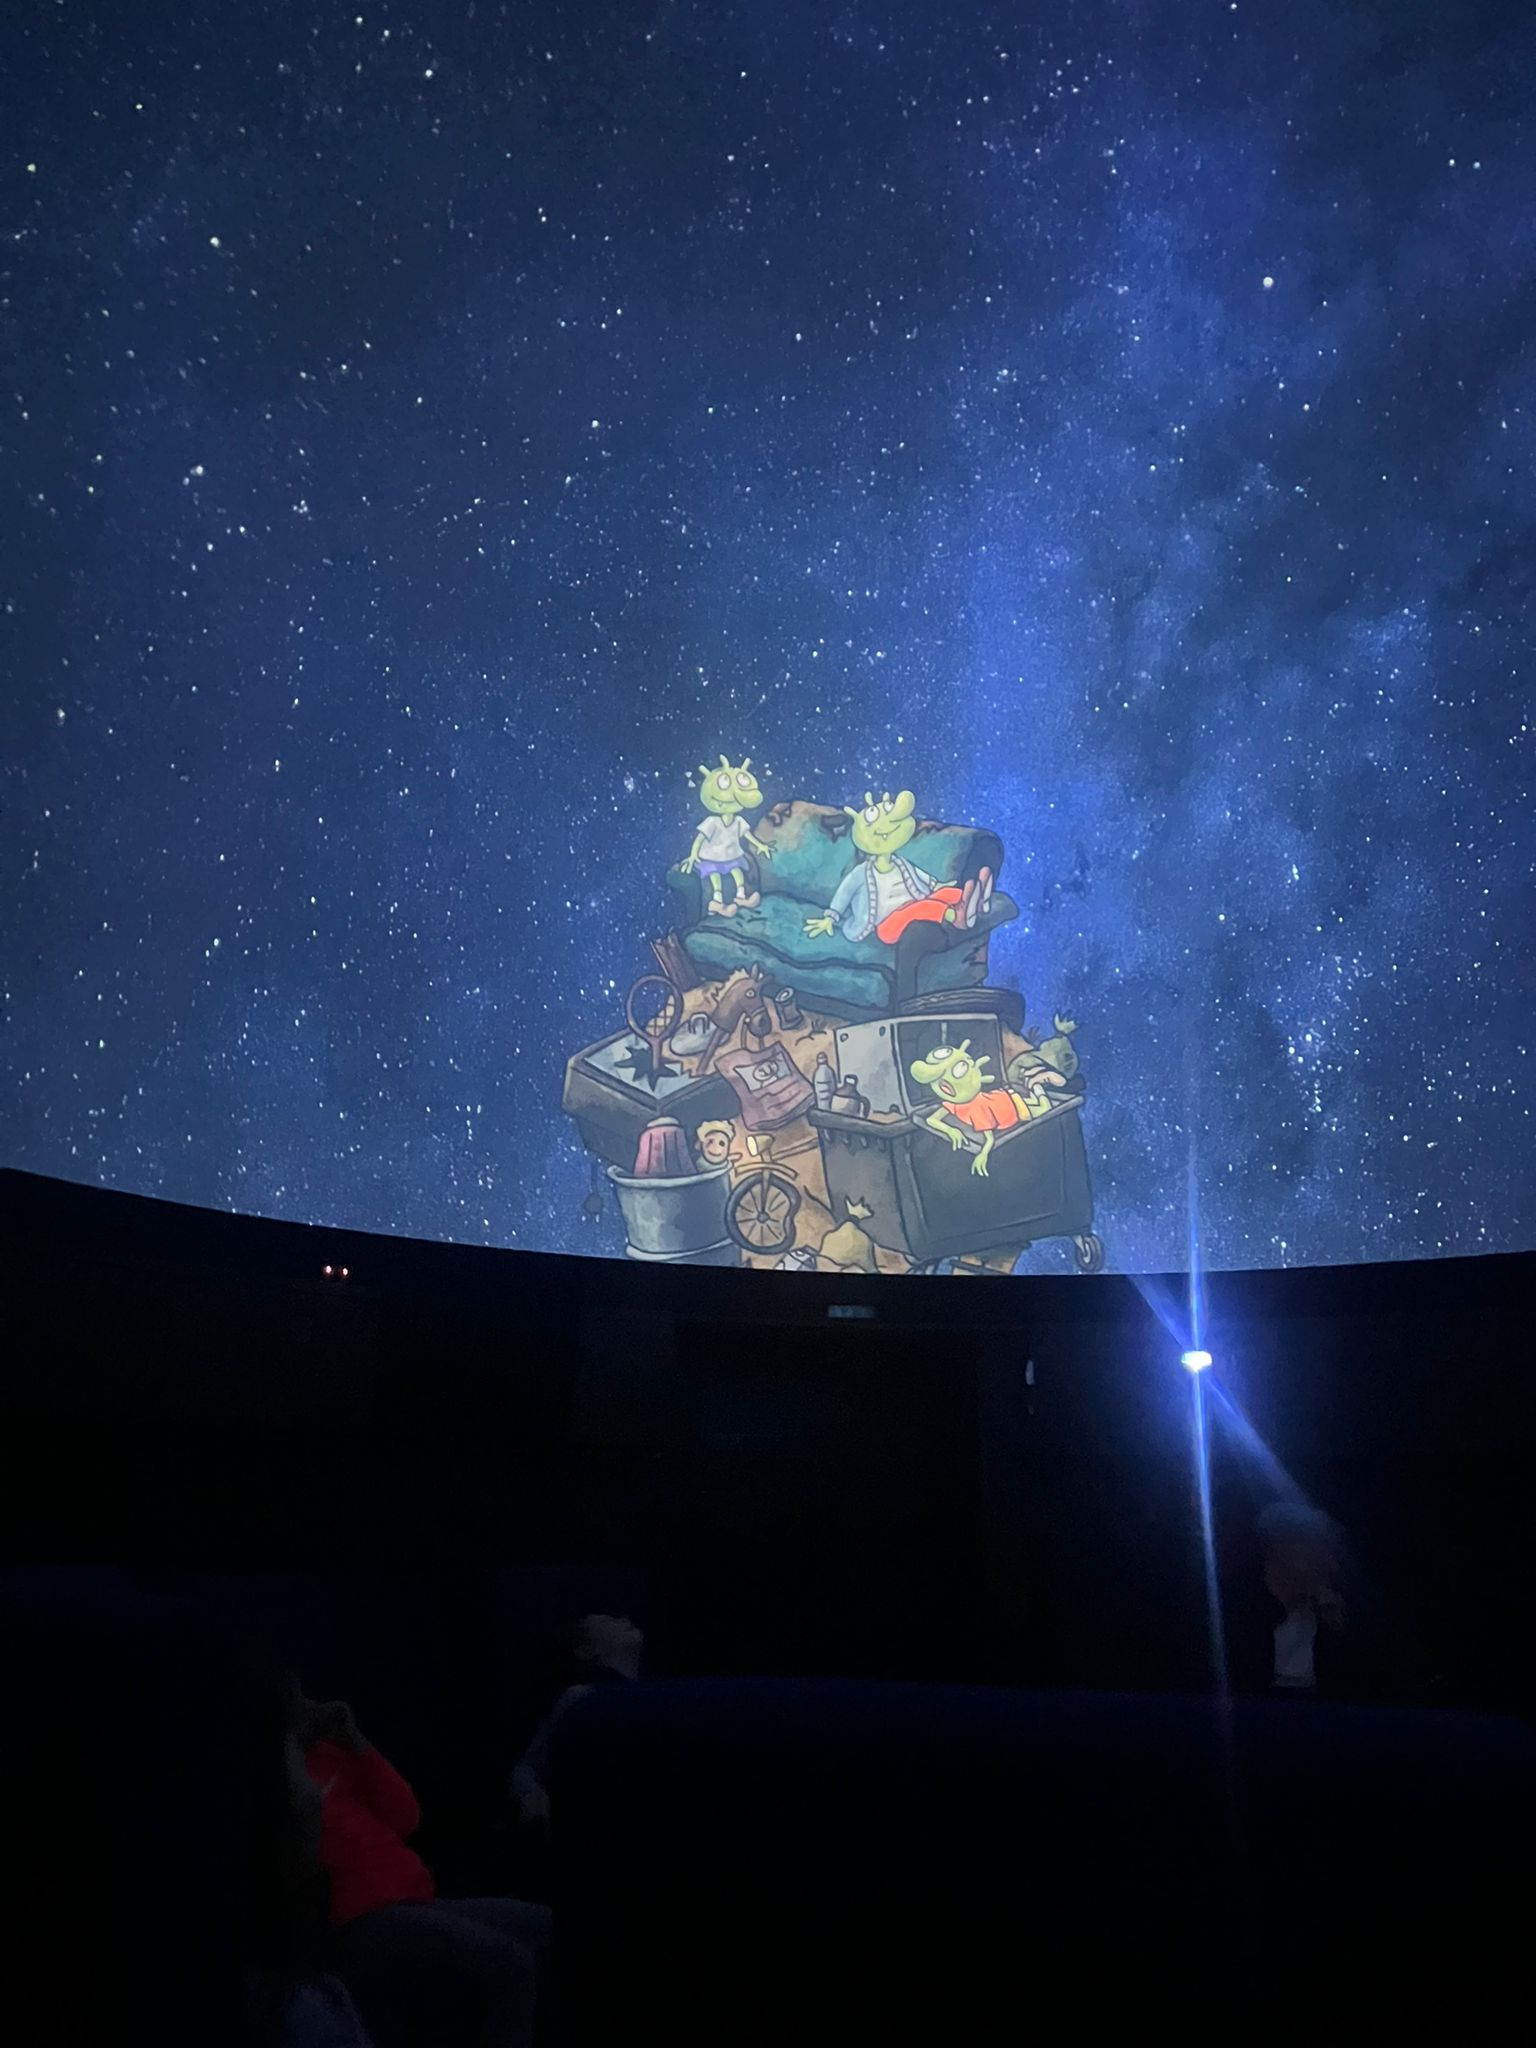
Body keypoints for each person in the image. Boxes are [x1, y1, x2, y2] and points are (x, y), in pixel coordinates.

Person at [290, 1681, 550, 2048]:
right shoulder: (279, 1780)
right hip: (358, 1918)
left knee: (545, 1926)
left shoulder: (333, 1753)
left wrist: (359, 1746)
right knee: (510, 1963)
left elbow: (406, 1817)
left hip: (412, 1898)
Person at [511, 1615, 644, 1831]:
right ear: (585, 1649)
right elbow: (529, 1767)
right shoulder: (579, 1698)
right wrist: (531, 1797)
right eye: (607, 1620)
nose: (624, 1619)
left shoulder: (652, 1696)